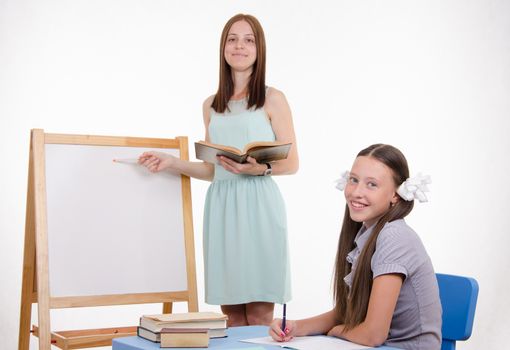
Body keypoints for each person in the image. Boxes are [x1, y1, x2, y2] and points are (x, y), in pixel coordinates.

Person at [138, 14, 298, 326]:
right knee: (232, 313)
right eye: (233, 39)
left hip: (259, 205)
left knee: (260, 310)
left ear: (259, 49)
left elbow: (292, 163)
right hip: (223, 207)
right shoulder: (211, 105)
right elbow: (215, 170)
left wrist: (259, 169)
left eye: (249, 40)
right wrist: (173, 163)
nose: (240, 46)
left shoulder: (272, 99)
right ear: (223, 47)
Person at [269, 144, 441, 350]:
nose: (357, 192)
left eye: (372, 185)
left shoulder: (394, 237)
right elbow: (346, 312)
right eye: (354, 180)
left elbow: (373, 335)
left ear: (395, 195)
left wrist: (337, 331)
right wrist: (296, 327)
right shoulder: (366, 233)